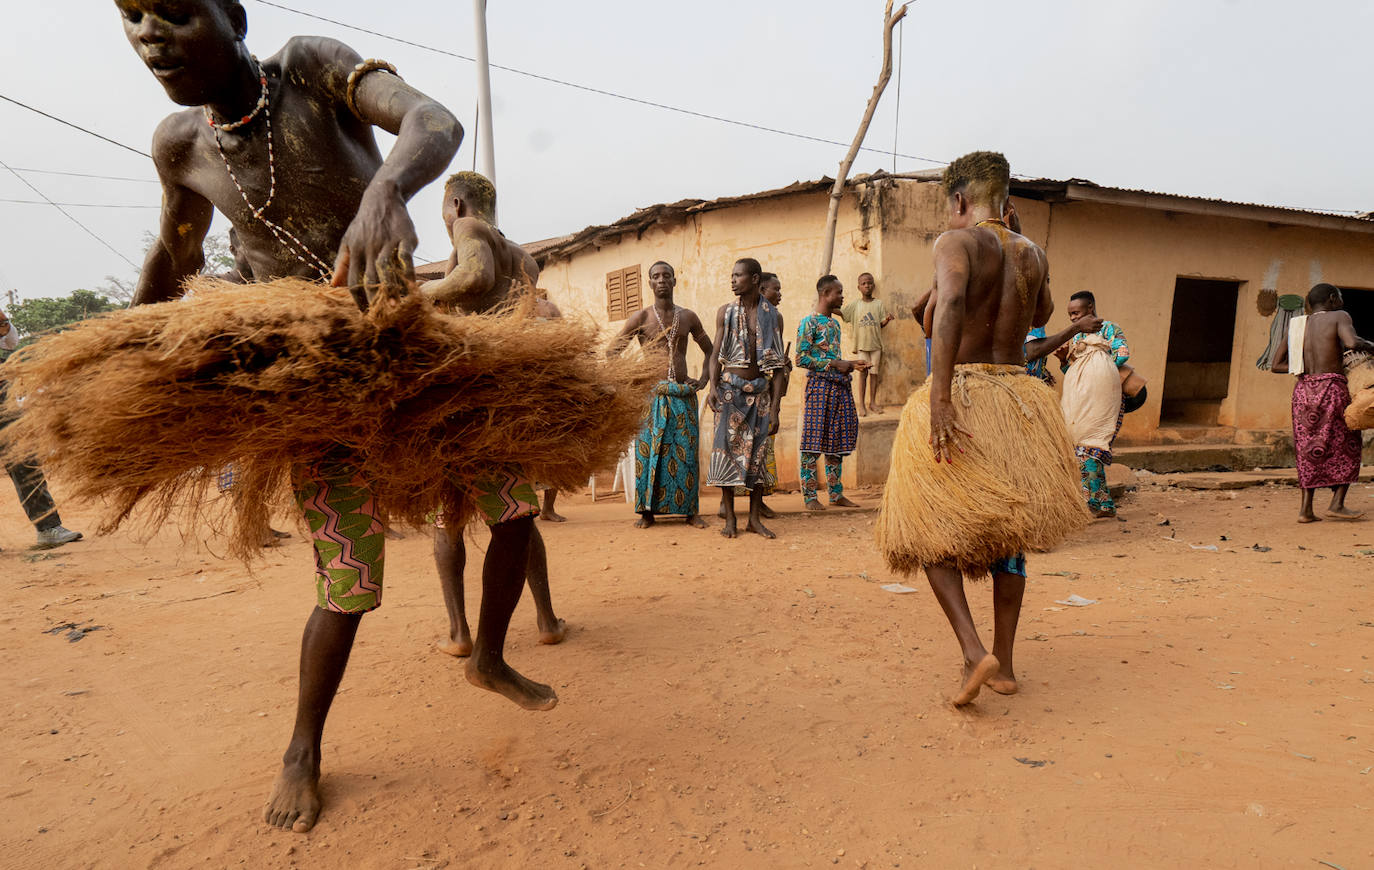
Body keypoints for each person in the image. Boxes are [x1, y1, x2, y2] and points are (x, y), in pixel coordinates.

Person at [117, 0, 481, 834]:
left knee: (507, 499)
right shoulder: (181, 146)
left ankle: (486, 649)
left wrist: (388, 183)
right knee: (350, 580)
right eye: (132, 17)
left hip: (404, 345)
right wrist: (125, 347)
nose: (150, 34)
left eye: (174, 11)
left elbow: (435, 120)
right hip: (315, 382)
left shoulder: (310, 69)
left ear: (232, 16)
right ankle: (302, 749)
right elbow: (177, 256)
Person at [875, 151, 1087, 707]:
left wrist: (940, 397)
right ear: (1008, 202)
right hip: (1017, 400)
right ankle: (1007, 664)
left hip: (965, 395)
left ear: (960, 201)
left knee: (927, 526)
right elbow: (1038, 311)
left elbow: (948, 309)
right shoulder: (1033, 251)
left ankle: (974, 651)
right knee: (1008, 534)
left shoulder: (956, 242)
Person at [421, 170, 568, 669]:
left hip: (462, 401)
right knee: (516, 514)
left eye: (444, 209)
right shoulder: (521, 256)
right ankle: (546, 620)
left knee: (449, 518)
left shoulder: (468, 231)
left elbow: (473, 280)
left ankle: (460, 632)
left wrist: (416, 295)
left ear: (457, 204)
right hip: (505, 403)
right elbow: (539, 315)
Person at [607, 261, 713, 530]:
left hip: (681, 395)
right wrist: (631, 379)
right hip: (651, 397)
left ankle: (690, 511)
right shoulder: (640, 318)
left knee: (686, 456)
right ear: (650, 283)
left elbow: (710, 350)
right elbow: (612, 352)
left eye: (667, 276)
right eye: (656, 276)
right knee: (649, 455)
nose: (662, 280)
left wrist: (703, 378)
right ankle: (647, 513)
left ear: (675, 282)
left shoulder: (688, 316)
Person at [1272, 283, 1373, 522]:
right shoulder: (1340, 316)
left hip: (1304, 391)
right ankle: (1337, 504)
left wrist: (1307, 368)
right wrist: (1371, 345)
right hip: (1332, 388)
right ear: (1331, 299)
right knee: (1347, 442)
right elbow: (1351, 343)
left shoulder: (1296, 325)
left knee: (1308, 449)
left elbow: (1276, 365)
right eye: (1339, 297)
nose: (1341, 302)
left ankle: (1306, 510)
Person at [705, 258, 787, 539]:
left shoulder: (773, 316)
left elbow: (778, 369)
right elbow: (715, 355)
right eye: (732, 275)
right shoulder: (725, 313)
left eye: (738, 275)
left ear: (754, 279)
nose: (733, 280)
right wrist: (712, 387)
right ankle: (730, 519)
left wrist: (776, 409)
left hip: (760, 393)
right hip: (730, 391)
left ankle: (753, 518)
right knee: (726, 453)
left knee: (759, 457)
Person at [0, 310, 84, 551]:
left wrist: (2, 320)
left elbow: (11, 341)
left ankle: (48, 529)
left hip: (4, 407)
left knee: (26, 463)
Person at [1053, 291, 1130, 519]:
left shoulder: (1110, 329)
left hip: (1103, 400)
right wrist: (1063, 360)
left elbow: (1122, 354)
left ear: (1090, 308)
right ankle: (1104, 505)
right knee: (1082, 450)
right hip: (1079, 400)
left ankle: (1091, 504)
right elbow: (1073, 371)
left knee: (1091, 448)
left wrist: (1099, 371)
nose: (1073, 319)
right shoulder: (1075, 337)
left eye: (1076, 313)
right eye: (1070, 315)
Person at [797, 275, 867, 510]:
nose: (842, 296)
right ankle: (810, 497)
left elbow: (830, 358)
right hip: (818, 388)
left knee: (836, 442)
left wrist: (850, 363)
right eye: (839, 292)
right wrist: (835, 365)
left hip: (838, 387)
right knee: (812, 442)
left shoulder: (834, 324)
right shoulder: (809, 322)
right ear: (825, 294)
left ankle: (836, 495)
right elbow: (801, 358)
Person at [838, 272, 892, 416]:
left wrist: (887, 320)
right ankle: (861, 404)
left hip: (876, 345)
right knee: (863, 373)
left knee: (874, 373)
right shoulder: (856, 305)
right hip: (862, 345)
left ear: (873, 285)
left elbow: (880, 324)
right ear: (859, 287)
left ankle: (872, 402)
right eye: (864, 283)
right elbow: (843, 313)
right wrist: (829, 307)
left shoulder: (878, 304)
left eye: (869, 283)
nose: (867, 285)